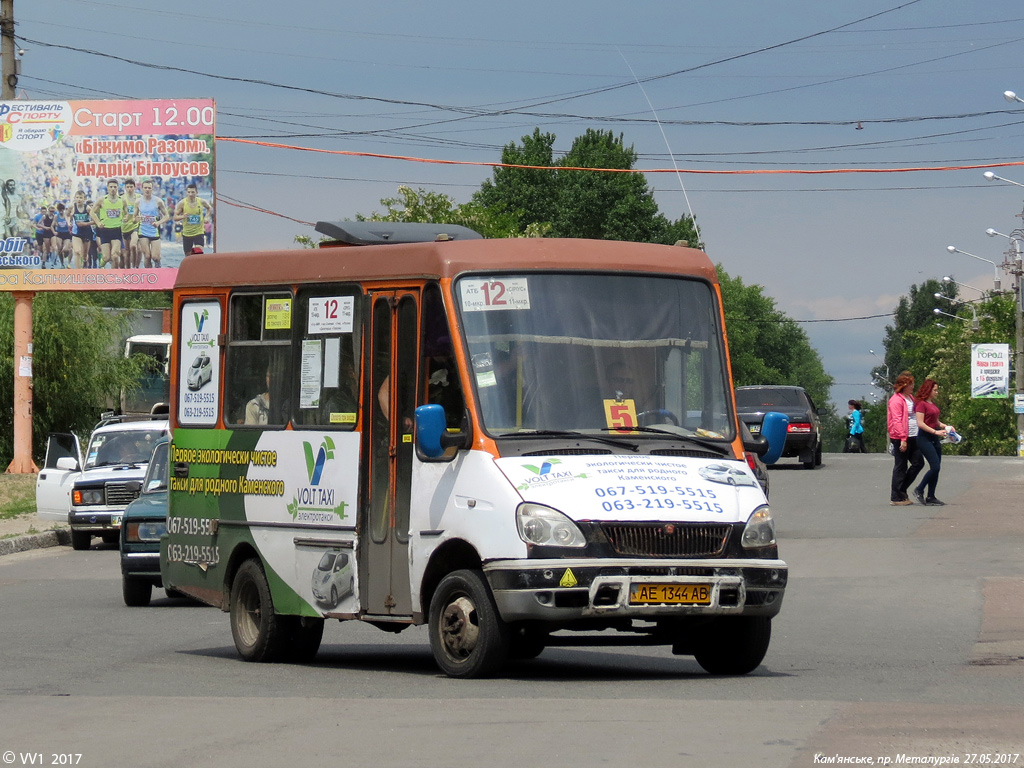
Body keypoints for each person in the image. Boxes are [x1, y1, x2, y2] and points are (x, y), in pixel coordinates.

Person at [912, 379, 954, 506]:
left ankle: (931, 496)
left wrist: (946, 427)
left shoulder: (932, 404)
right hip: (924, 437)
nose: (937, 392)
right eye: (935, 390)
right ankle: (919, 489)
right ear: (928, 390)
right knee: (935, 466)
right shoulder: (921, 404)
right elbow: (920, 423)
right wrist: (935, 432)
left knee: (936, 469)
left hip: (934, 437)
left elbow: (936, 422)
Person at [886, 371, 925, 506]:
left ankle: (902, 490)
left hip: (914, 435)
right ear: (903, 385)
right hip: (901, 437)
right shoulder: (896, 400)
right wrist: (903, 438)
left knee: (918, 463)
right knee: (901, 466)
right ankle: (896, 497)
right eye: (910, 384)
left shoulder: (910, 398)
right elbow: (897, 420)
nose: (912, 387)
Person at [90, 179, 127, 268]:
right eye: (111, 187)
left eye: (115, 187)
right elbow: (92, 212)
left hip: (116, 230)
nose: (113, 189)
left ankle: (115, 277)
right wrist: (98, 223)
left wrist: (125, 217)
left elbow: (126, 213)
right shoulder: (102, 200)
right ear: (107, 188)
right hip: (104, 231)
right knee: (106, 258)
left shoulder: (122, 200)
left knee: (115, 255)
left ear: (118, 188)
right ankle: (101, 266)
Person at [137, 179, 170, 268]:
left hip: (154, 231)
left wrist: (159, 222)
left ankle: (158, 264)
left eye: (149, 188)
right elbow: (134, 218)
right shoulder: (138, 202)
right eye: (145, 188)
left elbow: (167, 216)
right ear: (142, 189)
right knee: (147, 256)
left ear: (152, 189)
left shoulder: (158, 201)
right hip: (143, 231)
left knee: (155, 257)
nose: (147, 190)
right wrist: (137, 218)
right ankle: (150, 276)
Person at [174, 183, 212, 257]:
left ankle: (197, 265)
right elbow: (175, 217)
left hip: (199, 232)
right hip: (187, 233)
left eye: (192, 192)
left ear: (196, 193)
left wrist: (206, 217)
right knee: (188, 256)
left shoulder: (201, 201)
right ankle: (191, 265)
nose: (190, 194)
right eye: (189, 192)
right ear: (186, 193)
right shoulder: (182, 203)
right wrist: (183, 216)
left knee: (198, 252)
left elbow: (209, 208)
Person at [119, 178, 142, 268]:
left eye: (131, 187)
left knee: (134, 246)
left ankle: (136, 267)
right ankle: (128, 270)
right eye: (127, 187)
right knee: (127, 251)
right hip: (124, 227)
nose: (129, 189)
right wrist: (123, 218)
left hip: (136, 226)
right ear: (125, 188)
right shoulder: (121, 198)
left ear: (134, 187)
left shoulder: (139, 197)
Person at [69, 191, 93, 269]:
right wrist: (69, 222)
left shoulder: (88, 208)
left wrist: (85, 224)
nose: (79, 199)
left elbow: (95, 220)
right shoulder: (72, 207)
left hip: (87, 232)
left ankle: (85, 263)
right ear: (75, 198)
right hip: (76, 232)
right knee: (77, 251)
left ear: (84, 199)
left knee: (85, 255)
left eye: (81, 198)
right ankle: (79, 272)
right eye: (77, 197)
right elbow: (67, 215)